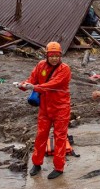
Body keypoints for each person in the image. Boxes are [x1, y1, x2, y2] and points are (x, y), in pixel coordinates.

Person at [19, 41, 72, 179]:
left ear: (60, 56)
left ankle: (59, 167)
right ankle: (36, 163)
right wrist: (23, 85)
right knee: (41, 135)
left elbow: (52, 84)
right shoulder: (40, 65)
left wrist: (34, 87)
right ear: (47, 55)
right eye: (51, 55)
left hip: (61, 108)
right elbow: (32, 79)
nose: (54, 58)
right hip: (45, 107)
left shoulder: (65, 69)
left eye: (57, 56)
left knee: (60, 137)